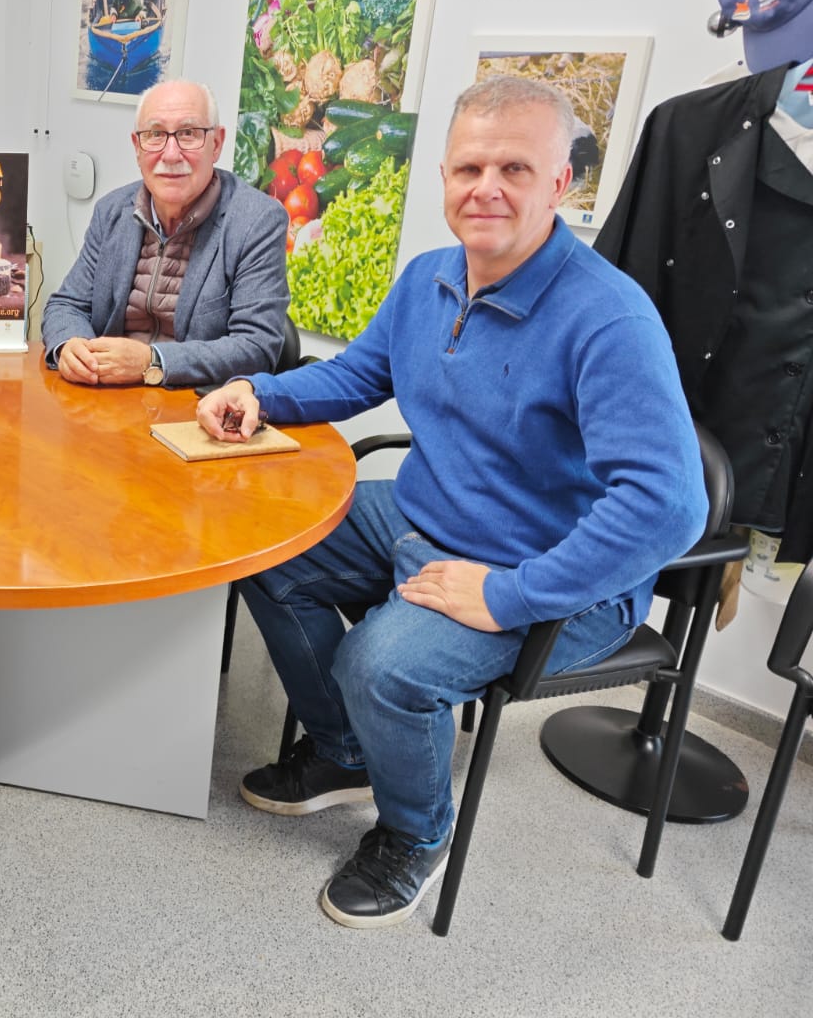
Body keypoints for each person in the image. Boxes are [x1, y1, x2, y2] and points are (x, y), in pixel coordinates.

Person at [196, 76, 709, 929]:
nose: (487, 188)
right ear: (443, 176)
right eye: (470, 167)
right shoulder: (430, 277)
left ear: (560, 183)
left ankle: (415, 833)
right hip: (423, 516)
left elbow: (669, 506)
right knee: (262, 546)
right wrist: (260, 391)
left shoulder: (610, 318)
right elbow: (359, 374)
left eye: (515, 168)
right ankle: (347, 752)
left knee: (381, 667)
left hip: (551, 572)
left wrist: (509, 594)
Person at [41, 79, 290, 389]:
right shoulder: (111, 211)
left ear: (216, 144)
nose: (171, 155)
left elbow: (256, 348)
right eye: (155, 135)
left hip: (194, 404)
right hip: (105, 398)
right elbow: (65, 305)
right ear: (137, 146)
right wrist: (69, 344)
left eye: (188, 133)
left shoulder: (257, 221)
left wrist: (152, 361)